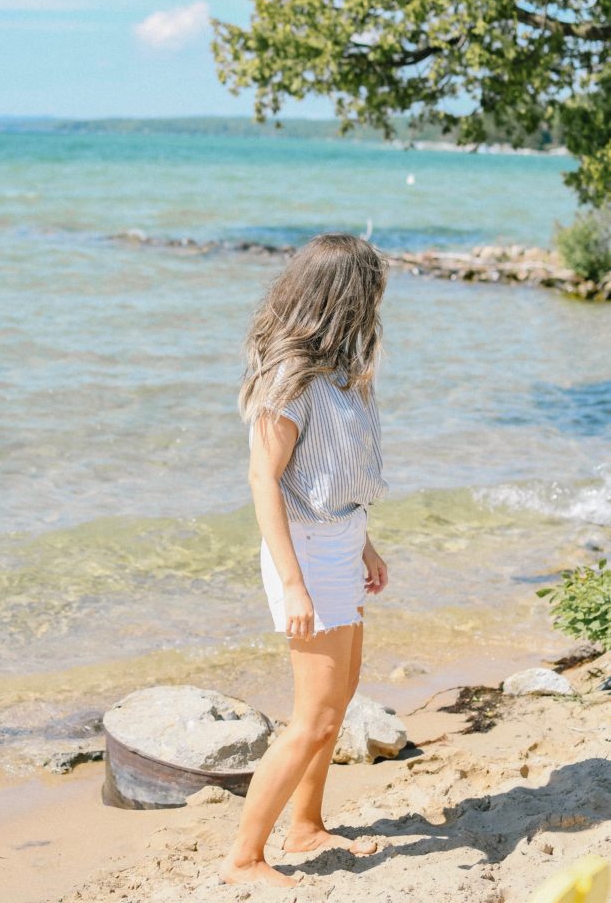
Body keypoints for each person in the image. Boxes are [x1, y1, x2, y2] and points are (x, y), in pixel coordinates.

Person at [219, 232, 391, 888]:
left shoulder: (347, 373)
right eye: (370, 293)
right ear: (345, 299)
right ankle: (243, 858)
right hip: (307, 554)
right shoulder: (288, 378)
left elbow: (336, 473)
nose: (376, 306)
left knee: (338, 701)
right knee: (313, 714)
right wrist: (293, 585)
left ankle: (307, 825)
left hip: (343, 541)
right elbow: (264, 480)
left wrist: (367, 543)